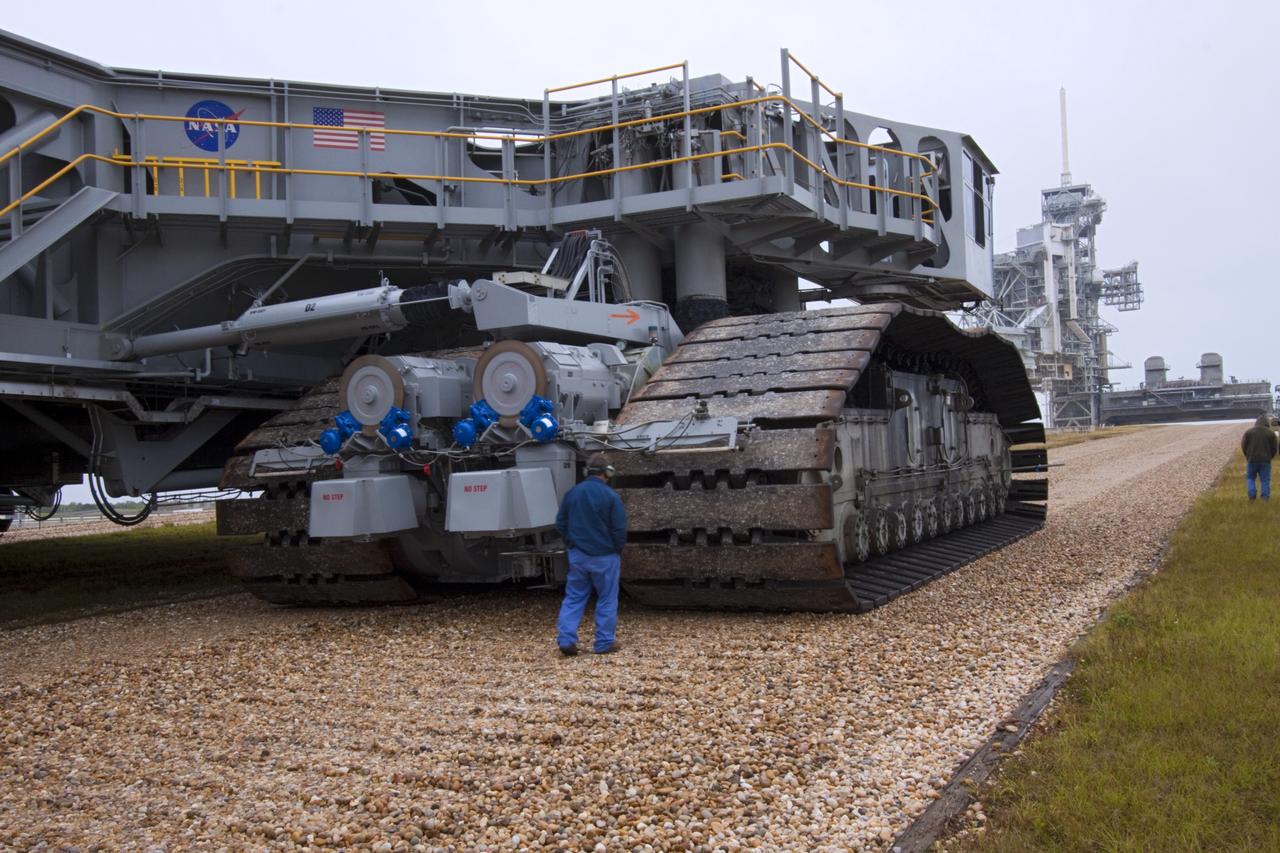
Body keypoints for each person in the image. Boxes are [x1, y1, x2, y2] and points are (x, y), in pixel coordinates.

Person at [554, 453, 628, 656]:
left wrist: (571, 544)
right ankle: (604, 643)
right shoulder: (611, 496)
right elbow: (619, 529)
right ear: (608, 473)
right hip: (605, 557)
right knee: (607, 598)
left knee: (574, 597)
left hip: (578, 555)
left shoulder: (573, 493)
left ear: (587, 472)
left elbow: (561, 523)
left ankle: (566, 639)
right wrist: (615, 549)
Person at [1241, 413, 1278, 501]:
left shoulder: (1248, 432)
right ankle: (1265, 498)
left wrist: (1247, 455)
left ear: (1256, 423)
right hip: (1265, 460)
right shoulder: (1271, 433)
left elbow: (1243, 446)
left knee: (1250, 478)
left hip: (1252, 460)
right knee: (1265, 480)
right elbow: (1274, 448)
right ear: (1266, 423)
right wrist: (1270, 457)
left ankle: (1252, 495)